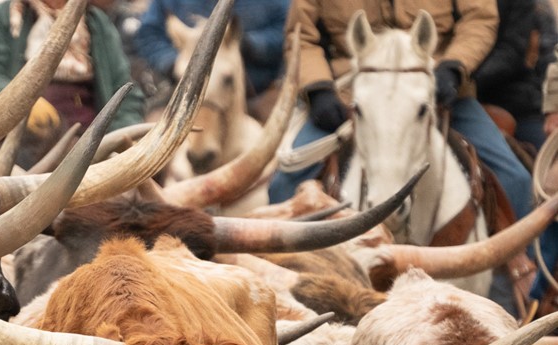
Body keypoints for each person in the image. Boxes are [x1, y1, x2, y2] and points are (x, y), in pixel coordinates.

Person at [268, 0, 533, 230]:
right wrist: (318, 88)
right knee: (283, 187)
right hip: (353, 96)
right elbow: (301, 35)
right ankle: (285, 277)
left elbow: (479, 18)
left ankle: (512, 281)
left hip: (439, 92)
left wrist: (454, 65)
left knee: (515, 181)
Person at [0, 0, 145, 146]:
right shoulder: (6, 15)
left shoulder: (97, 22)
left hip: (90, 139)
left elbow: (125, 91)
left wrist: (122, 136)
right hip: (24, 139)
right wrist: (21, 103)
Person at [134, 0, 290, 96]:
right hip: (185, 96)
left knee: (284, 141)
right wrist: (174, 64)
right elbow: (149, 34)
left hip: (259, 91)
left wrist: (249, 45)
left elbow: (288, 29)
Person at [473, 0, 556, 150]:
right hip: (457, 96)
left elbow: (516, 53)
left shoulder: (533, 7)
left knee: (547, 160)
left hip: (518, 103)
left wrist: (464, 79)